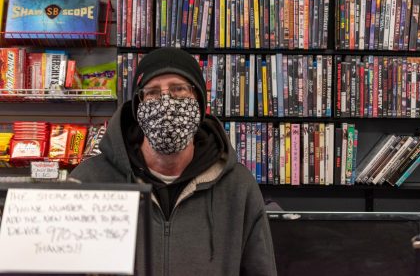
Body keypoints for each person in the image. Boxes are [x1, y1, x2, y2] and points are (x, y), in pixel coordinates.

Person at [70, 47, 277, 276]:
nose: (166, 103)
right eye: (153, 92)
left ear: (199, 103)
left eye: (179, 90)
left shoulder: (239, 187)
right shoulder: (88, 182)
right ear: (139, 107)